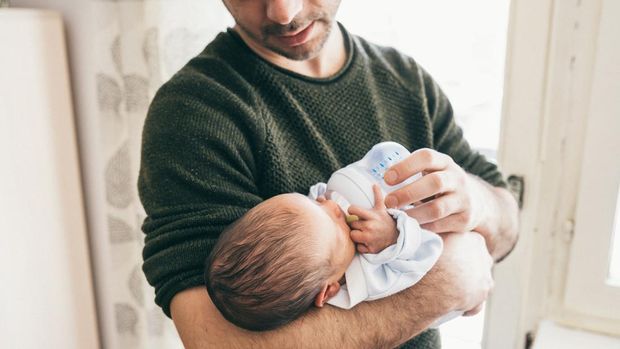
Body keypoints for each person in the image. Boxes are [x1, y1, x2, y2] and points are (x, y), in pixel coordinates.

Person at [138, 0, 519, 347]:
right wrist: (447, 283)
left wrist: (476, 202)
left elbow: (507, 224)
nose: (284, 13)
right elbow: (215, 342)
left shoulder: (405, 80)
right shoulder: (196, 113)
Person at [205, 181, 443, 331]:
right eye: (335, 222)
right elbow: (427, 252)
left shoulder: (317, 250)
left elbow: (322, 198)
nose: (330, 206)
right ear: (328, 291)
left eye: (315, 204)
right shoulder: (368, 280)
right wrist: (393, 236)